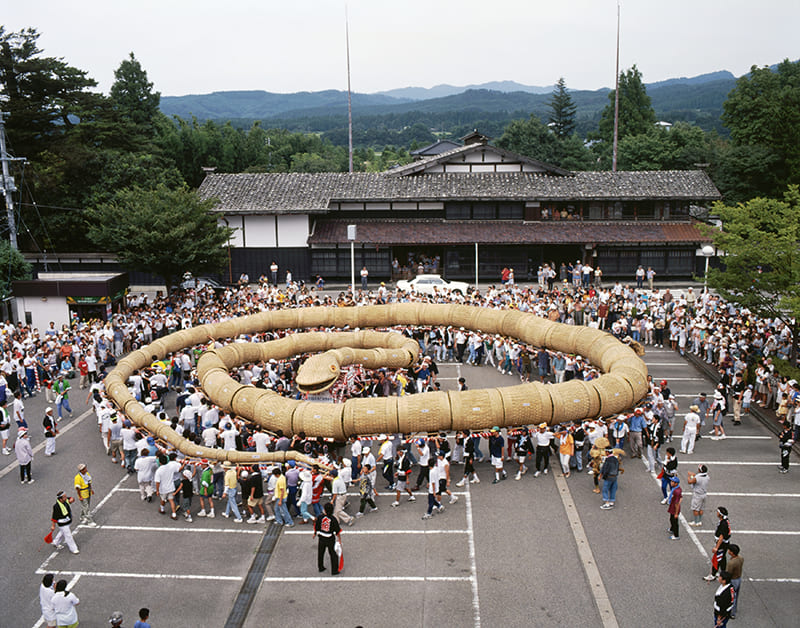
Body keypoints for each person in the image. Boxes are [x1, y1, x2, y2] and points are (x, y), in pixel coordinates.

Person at [314, 501, 342, 575]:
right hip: (330, 538)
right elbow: (337, 530)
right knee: (333, 554)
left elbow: (317, 526)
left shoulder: (320, 517)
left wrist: (315, 533)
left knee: (321, 553)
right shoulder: (333, 519)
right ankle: (334, 570)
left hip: (321, 537)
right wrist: (339, 539)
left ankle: (320, 567)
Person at [704, 507, 732, 581]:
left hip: (722, 543)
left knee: (717, 558)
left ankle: (713, 574)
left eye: (718, 512)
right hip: (725, 543)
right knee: (722, 558)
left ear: (720, 514)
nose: (716, 513)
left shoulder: (723, 524)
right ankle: (723, 571)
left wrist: (716, 547)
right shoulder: (725, 520)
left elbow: (721, 536)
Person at [726, 544, 743, 619]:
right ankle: (734, 609)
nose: (728, 551)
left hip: (733, 580)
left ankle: (732, 613)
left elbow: (728, 574)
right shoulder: (741, 558)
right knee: (736, 595)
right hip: (738, 578)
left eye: (729, 550)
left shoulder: (731, 563)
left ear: (732, 552)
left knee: (732, 597)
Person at [666, 475, 682, 540]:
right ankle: (672, 529)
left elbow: (677, 503)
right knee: (671, 519)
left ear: (676, 483)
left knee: (675, 521)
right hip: (672, 505)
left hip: (674, 508)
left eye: (672, 482)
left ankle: (676, 535)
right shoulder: (675, 488)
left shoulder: (676, 491)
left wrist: (676, 513)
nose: (671, 482)